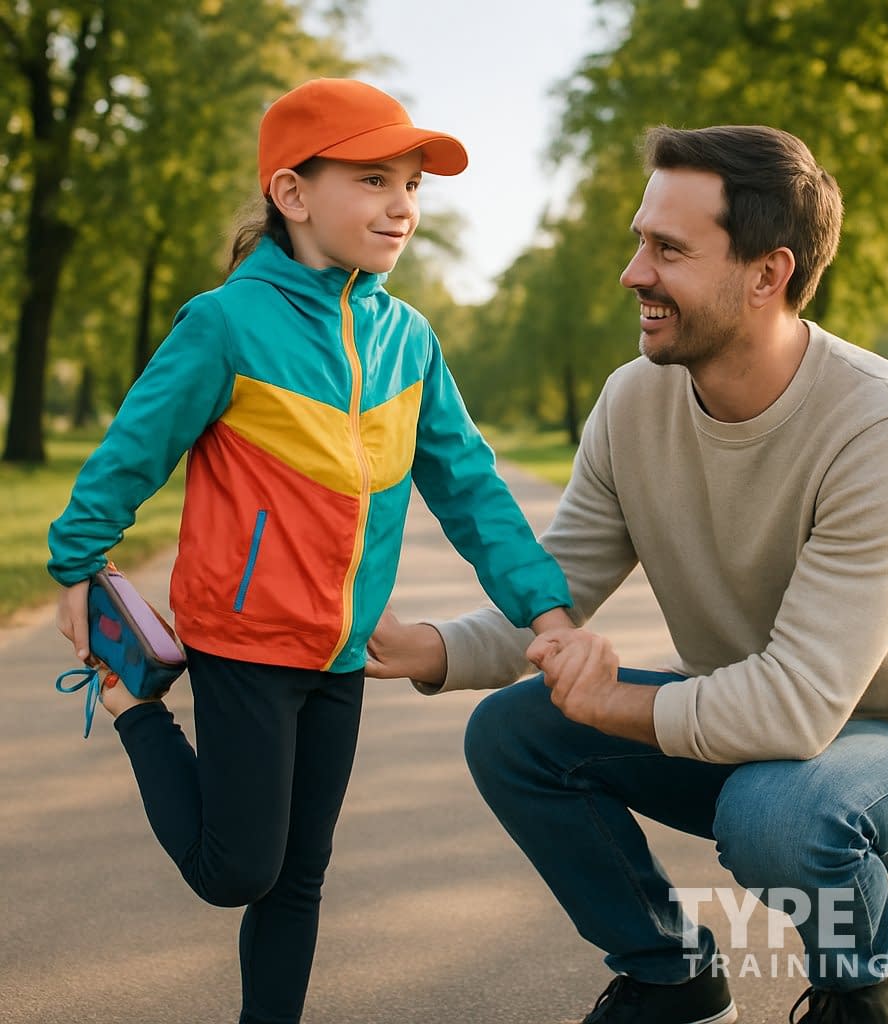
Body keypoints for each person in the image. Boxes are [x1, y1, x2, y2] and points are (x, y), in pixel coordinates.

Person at [365, 123, 888, 1024]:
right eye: (639, 241)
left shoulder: (887, 429)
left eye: (667, 249)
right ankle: (673, 979)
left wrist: (608, 701)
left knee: (776, 812)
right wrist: (425, 649)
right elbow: (554, 592)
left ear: (767, 274)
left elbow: (796, 707)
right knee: (513, 734)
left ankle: (860, 981)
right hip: (752, 738)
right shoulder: (636, 399)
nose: (633, 272)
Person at [48, 78, 574, 1024]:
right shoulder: (224, 324)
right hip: (243, 641)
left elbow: (472, 492)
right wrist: (78, 562)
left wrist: (546, 608)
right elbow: (131, 451)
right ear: (293, 195)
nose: (402, 205)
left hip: (341, 654)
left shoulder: (410, 340)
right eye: (373, 179)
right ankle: (133, 710)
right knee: (234, 872)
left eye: (411, 184)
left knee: (299, 879)